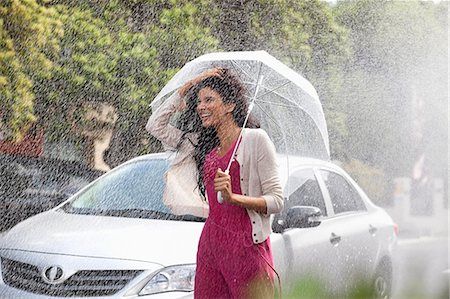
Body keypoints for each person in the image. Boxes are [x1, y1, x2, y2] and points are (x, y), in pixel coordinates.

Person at [146, 68, 284, 299]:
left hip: (247, 246)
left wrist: (233, 198)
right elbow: (155, 125)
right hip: (212, 245)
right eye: (199, 101)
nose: (201, 107)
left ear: (229, 106)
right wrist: (188, 86)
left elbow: (276, 201)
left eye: (209, 100)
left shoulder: (255, 140)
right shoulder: (200, 144)